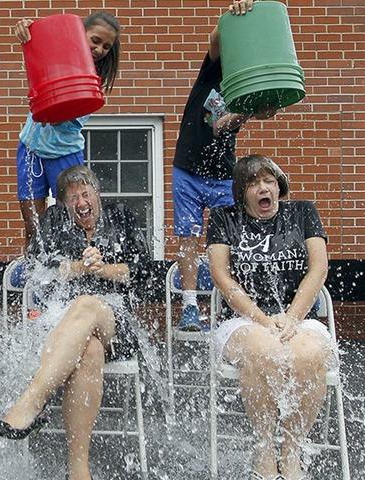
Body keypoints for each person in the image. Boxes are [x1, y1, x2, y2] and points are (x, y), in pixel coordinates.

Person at [0, 166, 145, 480]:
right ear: (63, 204)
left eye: (86, 194)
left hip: (116, 322)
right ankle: (78, 471)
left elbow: (141, 274)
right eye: (72, 197)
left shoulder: (123, 217)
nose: (80, 202)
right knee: (89, 353)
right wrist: (76, 266)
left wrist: (100, 270)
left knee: (86, 304)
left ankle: (32, 401)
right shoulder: (52, 223)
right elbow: (36, 269)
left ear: (97, 195)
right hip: (64, 325)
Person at [207, 155, 331, 480]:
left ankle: (291, 450)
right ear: (242, 191)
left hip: (299, 317)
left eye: (269, 182)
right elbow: (222, 276)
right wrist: (264, 320)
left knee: (309, 354)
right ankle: (264, 447)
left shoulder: (302, 212)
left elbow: (318, 268)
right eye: (254, 183)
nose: (263, 188)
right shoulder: (224, 218)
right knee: (265, 351)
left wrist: (291, 317)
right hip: (244, 320)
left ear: (279, 187)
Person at [173, 0, 277, 331]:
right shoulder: (213, 71)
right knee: (188, 236)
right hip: (187, 170)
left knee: (229, 240)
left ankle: (234, 305)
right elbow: (217, 38)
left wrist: (263, 109)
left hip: (222, 176)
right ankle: (190, 306)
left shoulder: (242, 85)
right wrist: (231, 16)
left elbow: (258, 111)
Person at [14, 12, 122, 249]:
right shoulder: (58, 59)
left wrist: (53, 112)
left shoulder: (93, 80)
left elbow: (63, 117)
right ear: (79, 34)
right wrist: (27, 29)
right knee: (32, 222)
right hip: (30, 148)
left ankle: (78, 266)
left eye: (106, 46)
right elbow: (38, 40)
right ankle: (33, 269)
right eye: (95, 40)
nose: (100, 49)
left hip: (64, 154)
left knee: (74, 218)